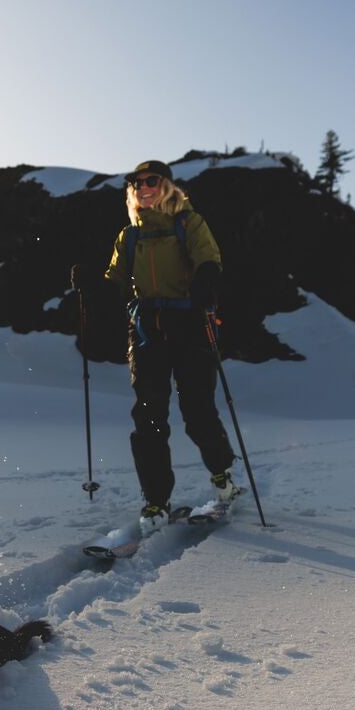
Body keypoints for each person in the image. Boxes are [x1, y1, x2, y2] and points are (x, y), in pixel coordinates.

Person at [75, 159, 240, 537]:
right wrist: (91, 285)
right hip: (146, 331)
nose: (142, 186)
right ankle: (156, 500)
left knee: (197, 410)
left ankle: (222, 474)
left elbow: (209, 259)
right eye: (136, 182)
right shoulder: (129, 237)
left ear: (166, 186)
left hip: (190, 326)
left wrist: (205, 280)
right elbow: (114, 284)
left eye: (151, 180)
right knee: (148, 418)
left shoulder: (189, 223)